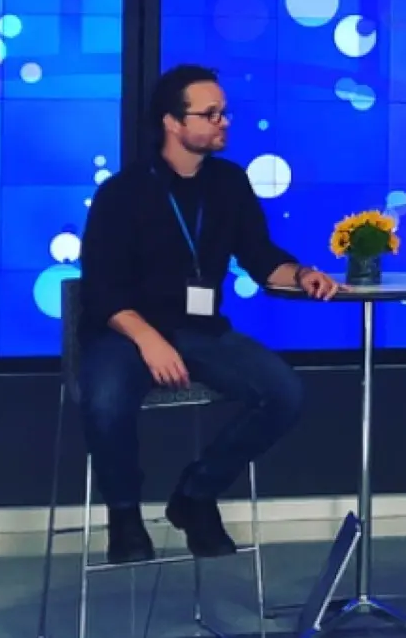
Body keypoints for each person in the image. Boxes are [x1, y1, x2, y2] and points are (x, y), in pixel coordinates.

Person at [75, 64, 341, 563]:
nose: (224, 122)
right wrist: (149, 340)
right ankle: (126, 516)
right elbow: (103, 291)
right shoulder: (124, 191)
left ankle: (195, 496)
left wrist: (301, 274)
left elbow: (260, 258)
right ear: (173, 123)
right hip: (126, 332)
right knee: (106, 399)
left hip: (201, 331)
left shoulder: (229, 183)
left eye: (225, 113)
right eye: (210, 114)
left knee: (283, 393)